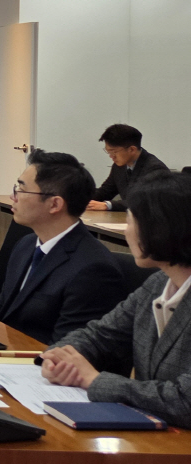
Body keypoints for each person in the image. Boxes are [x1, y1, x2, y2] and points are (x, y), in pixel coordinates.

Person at [42, 171, 191, 428]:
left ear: (161, 228)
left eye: (130, 220)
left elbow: (184, 401)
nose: (127, 231)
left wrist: (93, 380)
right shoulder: (157, 283)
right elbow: (100, 335)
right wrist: (61, 357)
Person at [0, 150, 124, 344]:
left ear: (55, 204)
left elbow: (68, 349)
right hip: (3, 351)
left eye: (21, 190)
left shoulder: (93, 269)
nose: (13, 196)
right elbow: (1, 310)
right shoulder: (26, 245)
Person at [89, 123, 168, 212]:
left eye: (114, 152)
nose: (111, 156)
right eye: (108, 152)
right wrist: (81, 199)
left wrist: (108, 205)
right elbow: (105, 191)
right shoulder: (119, 166)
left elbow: (144, 201)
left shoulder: (155, 168)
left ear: (132, 149)